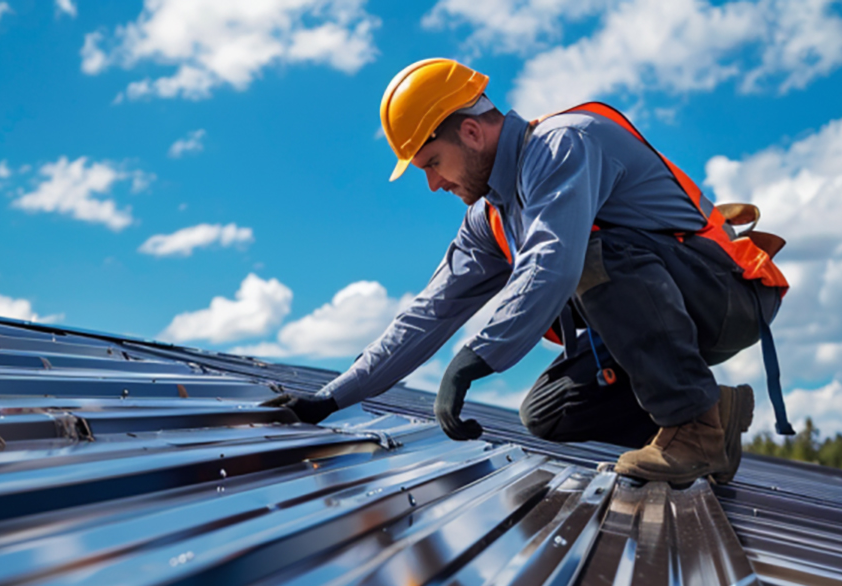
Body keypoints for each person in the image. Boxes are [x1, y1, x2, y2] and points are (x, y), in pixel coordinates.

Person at [265, 58, 792, 485]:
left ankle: (690, 426)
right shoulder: (489, 216)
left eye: (431, 163)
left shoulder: (563, 144)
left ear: (471, 132)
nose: (432, 184)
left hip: (722, 296)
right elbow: (430, 312)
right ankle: (710, 413)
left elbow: (554, 263)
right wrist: (332, 398)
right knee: (548, 411)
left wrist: (476, 356)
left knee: (587, 253)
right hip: (666, 313)